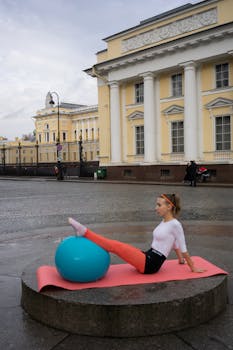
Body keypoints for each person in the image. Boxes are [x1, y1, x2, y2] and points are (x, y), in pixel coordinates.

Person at [68, 194, 205, 274]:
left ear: (169, 207)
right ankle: (84, 232)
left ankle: (84, 232)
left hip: (151, 264)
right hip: (147, 255)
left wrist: (192, 267)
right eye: (156, 205)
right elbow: (174, 243)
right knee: (118, 246)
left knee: (115, 246)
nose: (155, 208)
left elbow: (182, 247)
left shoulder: (175, 224)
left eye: (159, 205)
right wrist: (180, 260)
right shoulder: (164, 222)